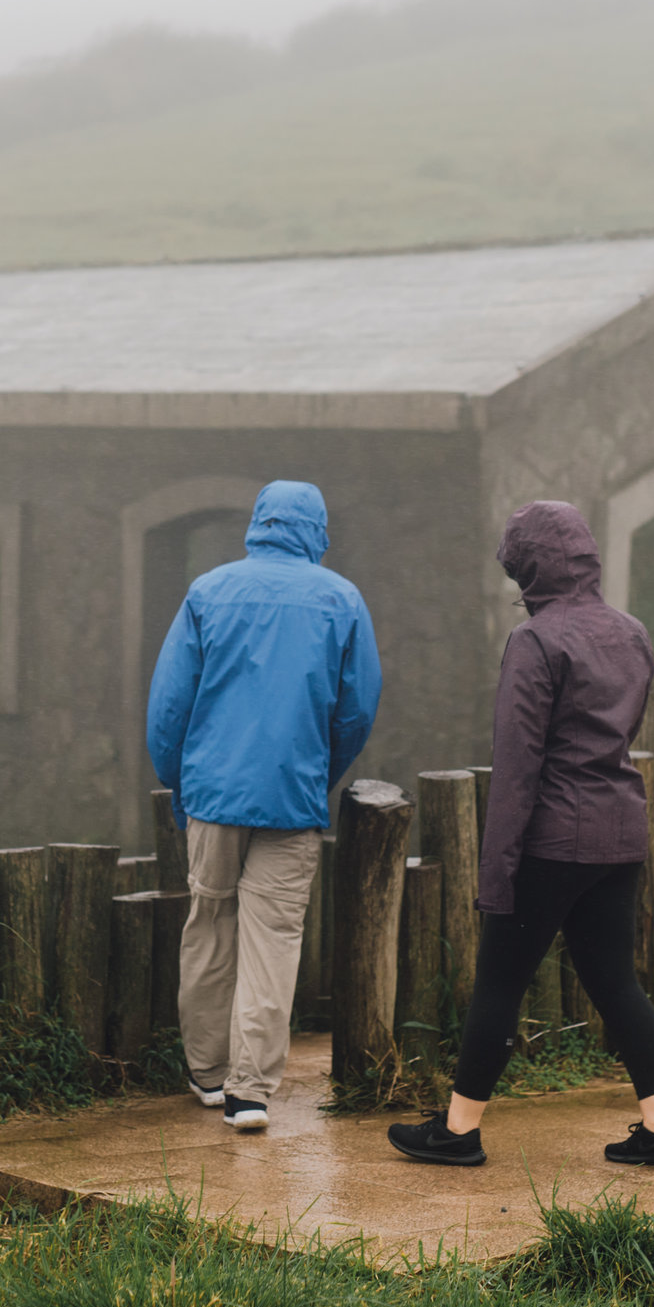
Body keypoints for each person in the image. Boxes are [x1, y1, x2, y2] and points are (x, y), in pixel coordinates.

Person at [387, 499, 654, 1168]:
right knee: (617, 982)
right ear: (585, 554)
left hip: (553, 838)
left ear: (529, 567)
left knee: (500, 982)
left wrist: (498, 870)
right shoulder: (632, 631)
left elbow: (518, 764)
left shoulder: (536, 641)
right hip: (619, 829)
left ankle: (458, 1130)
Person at [148, 480, 381, 1132]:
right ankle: (249, 1093)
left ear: (257, 523)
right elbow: (357, 709)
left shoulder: (208, 590)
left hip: (213, 798)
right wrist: (318, 773)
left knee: (210, 922)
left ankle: (207, 1072)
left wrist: (180, 785)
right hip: (293, 798)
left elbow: (169, 706)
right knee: (273, 939)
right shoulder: (342, 599)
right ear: (316, 530)